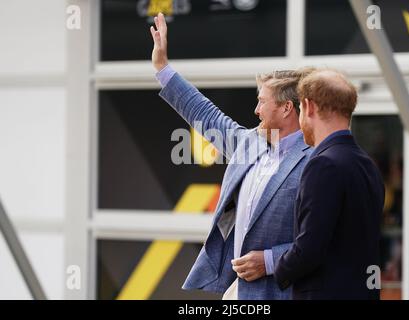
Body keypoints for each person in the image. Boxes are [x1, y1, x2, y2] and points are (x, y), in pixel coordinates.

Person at [150, 13, 313, 299]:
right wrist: (163, 68)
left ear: (287, 108)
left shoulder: (315, 160)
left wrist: (269, 261)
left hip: (284, 292)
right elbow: (204, 114)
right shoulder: (250, 143)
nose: (256, 111)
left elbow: (324, 239)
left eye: (262, 102)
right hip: (239, 291)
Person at [273, 69, 385, 299]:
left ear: (309, 106)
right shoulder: (367, 165)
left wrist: (277, 269)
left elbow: (309, 249)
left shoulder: (322, 165)